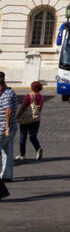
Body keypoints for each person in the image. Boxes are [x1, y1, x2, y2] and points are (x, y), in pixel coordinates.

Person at [0, 70, 19, 199]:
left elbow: (8, 111)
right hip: (8, 128)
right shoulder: (7, 92)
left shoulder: (6, 94)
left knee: (5, 150)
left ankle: (3, 183)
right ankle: (6, 175)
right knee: (7, 150)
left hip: (4, 128)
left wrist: (6, 127)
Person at [16, 80, 44, 162]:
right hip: (36, 119)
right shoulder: (41, 97)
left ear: (32, 87)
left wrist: (17, 116)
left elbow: (23, 107)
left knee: (22, 136)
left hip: (26, 119)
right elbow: (40, 109)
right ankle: (38, 148)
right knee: (33, 136)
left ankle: (22, 155)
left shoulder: (28, 96)